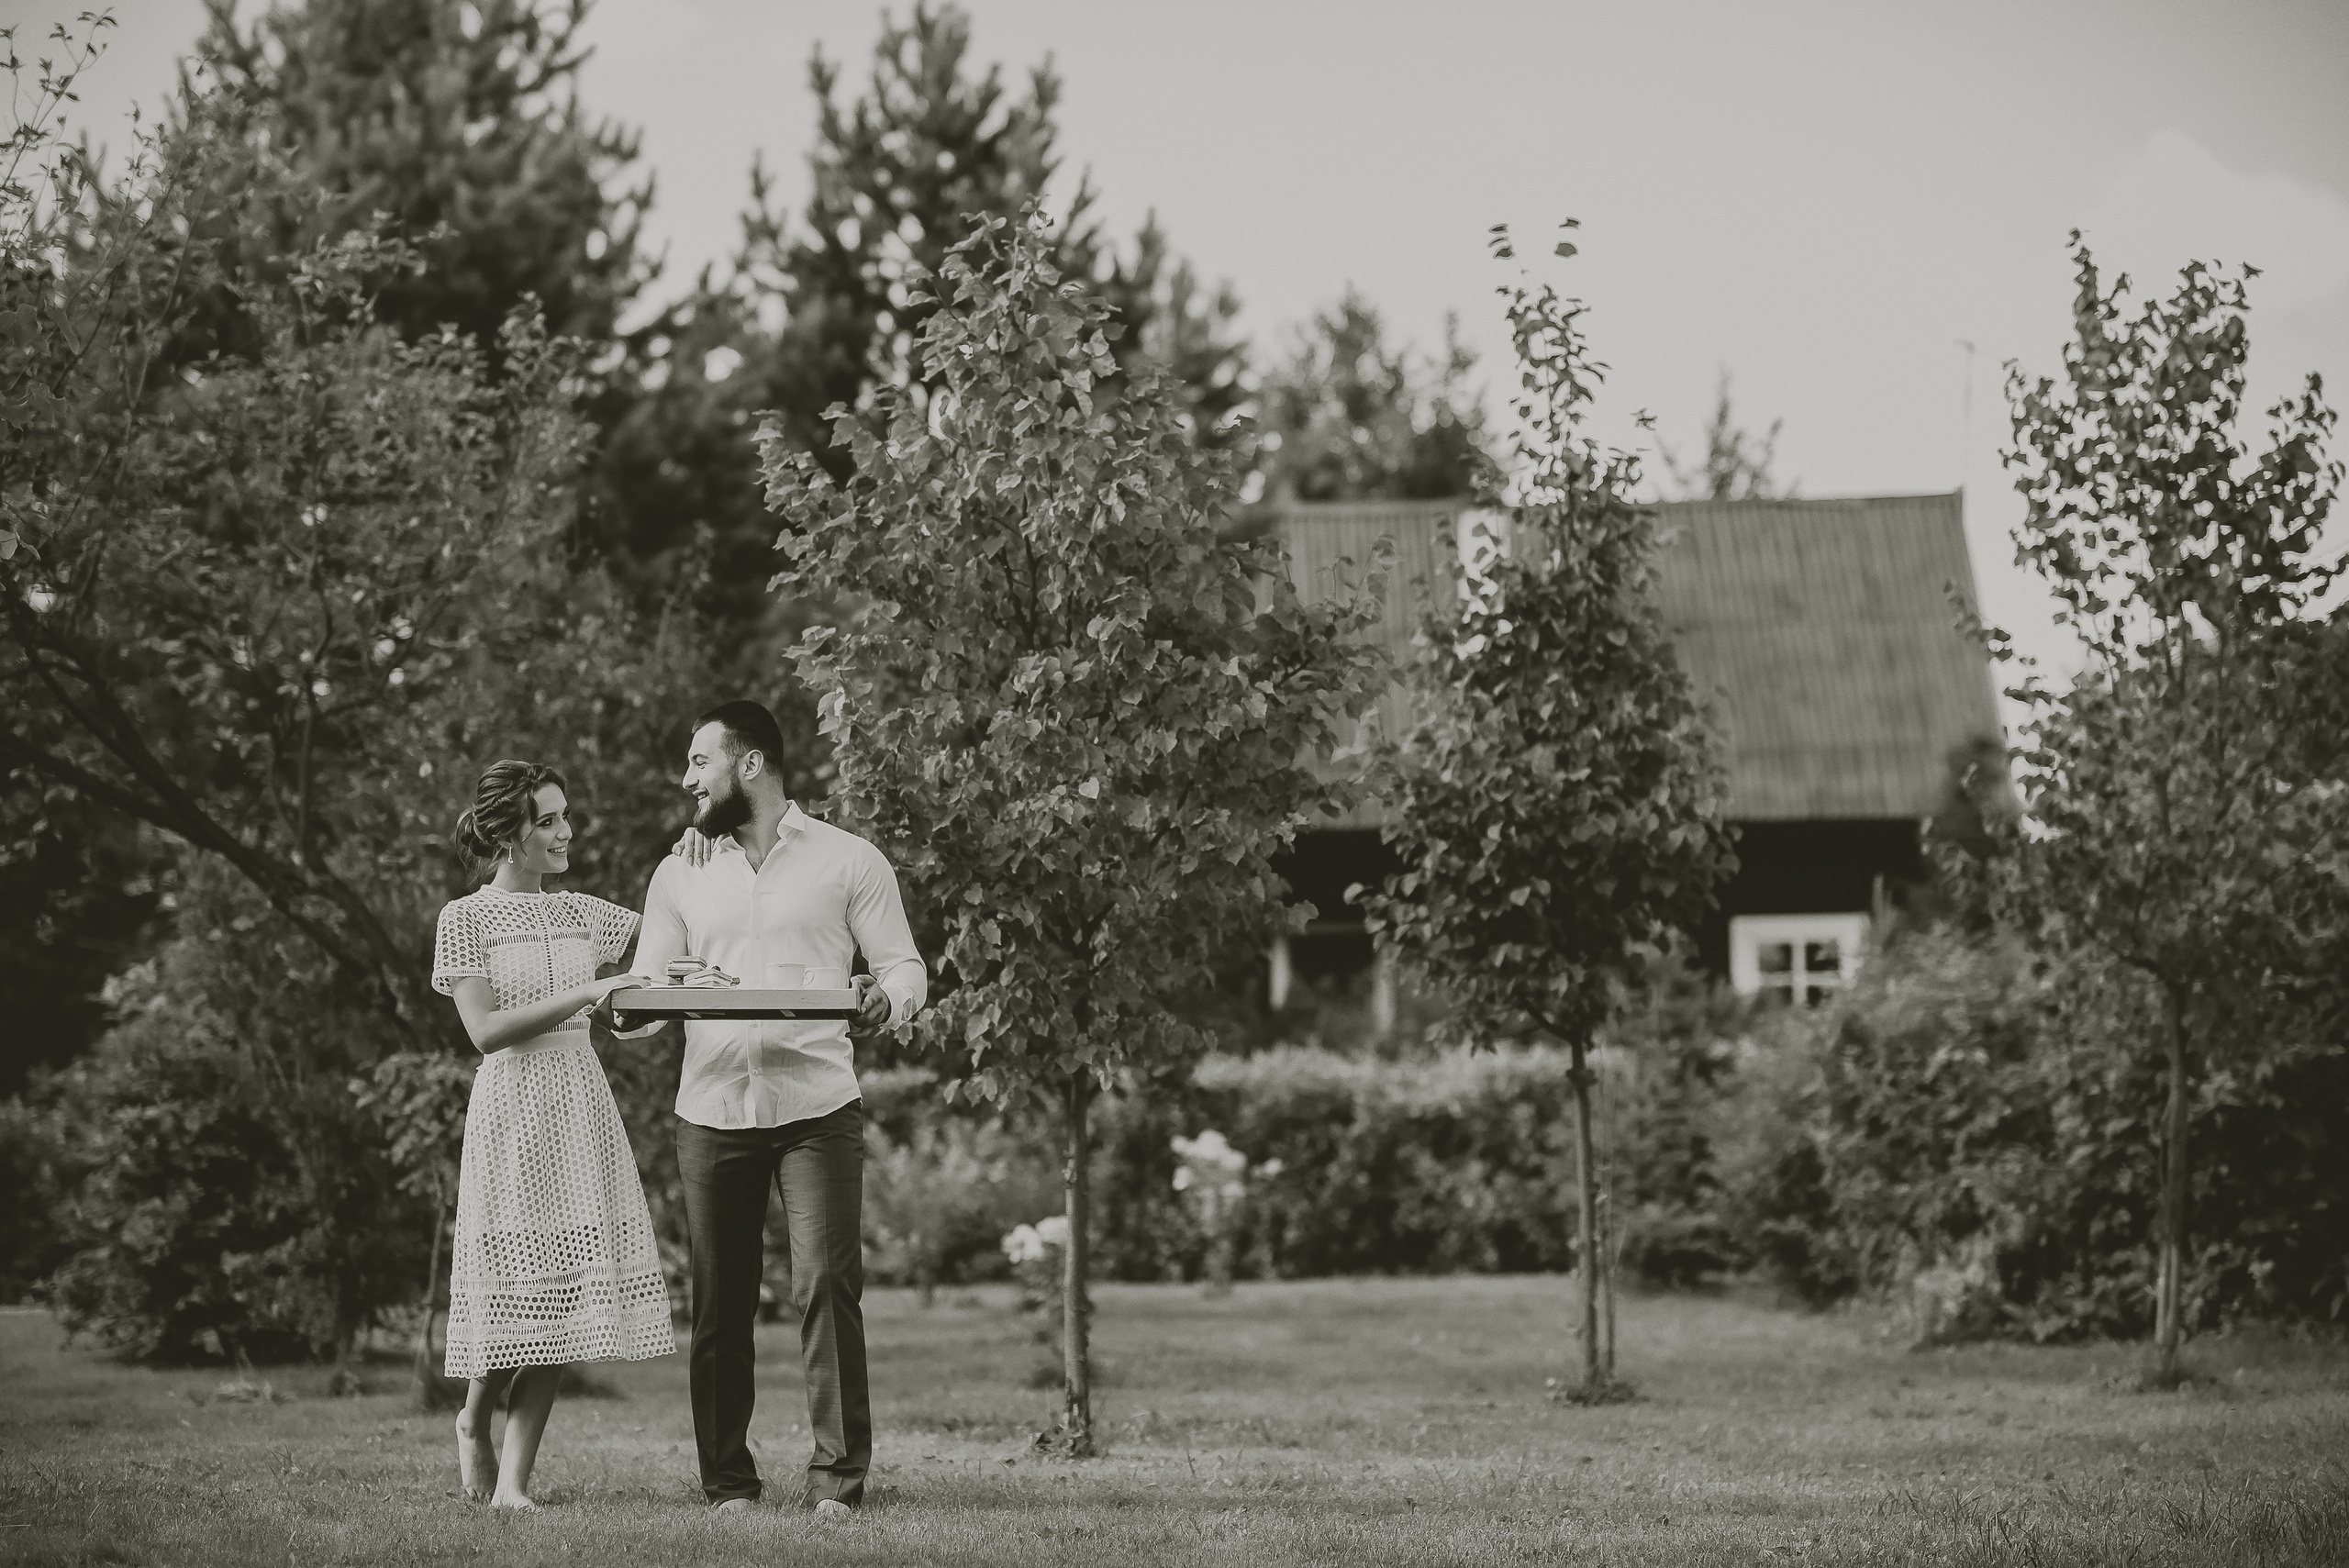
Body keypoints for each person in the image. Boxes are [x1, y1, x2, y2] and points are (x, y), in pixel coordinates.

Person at [620, 700, 925, 1516]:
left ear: (748, 765)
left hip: (817, 1105)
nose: (687, 779)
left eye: (699, 762)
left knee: (828, 1285)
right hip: (712, 1105)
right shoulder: (679, 870)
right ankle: (727, 1484)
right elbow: (649, 987)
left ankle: (838, 1480)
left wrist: (884, 1001)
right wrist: (625, 1004)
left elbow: (902, 965)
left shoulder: (849, 859)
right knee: (719, 1299)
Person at [430, 761, 672, 1509]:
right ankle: (472, 1418)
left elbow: (669, 935)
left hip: (579, 1106)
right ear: (509, 832)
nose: (565, 831)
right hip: (511, 1113)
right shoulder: (464, 919)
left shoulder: (585, 913)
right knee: (511, 1294)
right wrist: (588, 989)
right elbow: (485, 1030)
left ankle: (513, 1485)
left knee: (565, 1300)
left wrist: (694, 861)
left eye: (566, 815)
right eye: (548, 820)